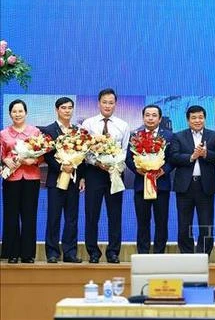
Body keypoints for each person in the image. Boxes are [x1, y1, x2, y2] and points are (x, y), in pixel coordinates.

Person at [81, 88, 130, 264]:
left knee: (115, 214)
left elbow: (125, 151)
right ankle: (93, 252)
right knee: (92, 214)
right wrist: (97, 163)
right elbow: (83, 149)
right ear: (99, 103)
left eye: (111, 102)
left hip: (115, 173)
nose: (107, 105)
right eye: (104, 102)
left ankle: (113, 252)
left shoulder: (123, 125)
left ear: (115, 104)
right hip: (94, 173)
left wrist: (114, 164)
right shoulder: (88, 123)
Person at [170, 105, 215, 255]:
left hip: (205, 186)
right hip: (184, 186)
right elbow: (173, 157)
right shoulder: (178, 136)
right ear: (188, 120)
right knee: (184, 223)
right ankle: (187, 255)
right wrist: (192, 157)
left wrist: (206, 154)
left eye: (200, 117)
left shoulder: (213, 136)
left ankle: (203, 254)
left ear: (205, 119)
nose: (197, 120)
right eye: (193, 118)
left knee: (206, 223)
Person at [41, 97, 85, 263]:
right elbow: (47, 155)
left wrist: (81, 177)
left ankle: (70, 253)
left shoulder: (78, 131)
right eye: (63, 108)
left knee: (72, 218)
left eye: (69, 108)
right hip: (56, 180)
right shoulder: (49, 130)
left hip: (73, 180)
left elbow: (83, 156)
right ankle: (52, 253)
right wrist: (61, 167)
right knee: (54, 217)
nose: (67, 111)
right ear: (57, 110)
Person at [125, 105, 173, 254]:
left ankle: (159, 253)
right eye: (147, 115)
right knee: (143, 222)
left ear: (159, 118)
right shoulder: (135, 136)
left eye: (154, 115)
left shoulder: (169, 136)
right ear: (143, 117)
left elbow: (173, 159)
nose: (150, 118)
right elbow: (128, 158)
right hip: (141, 184)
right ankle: (143, 253)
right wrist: (138, 169)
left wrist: (162, 170)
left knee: (161, 221)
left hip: (161, 186)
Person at [1, 99, 43, 263]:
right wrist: (5, 161)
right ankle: (12, 253)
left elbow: (42, 154)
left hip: (31, 178)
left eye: (20, 111)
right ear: (10, 114)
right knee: (11, 216)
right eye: (14, 111)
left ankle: (27, 254)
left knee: (29, 216)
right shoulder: (3, 134)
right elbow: (2, 155)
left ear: (26, 113)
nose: (17, 114)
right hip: (11, 178)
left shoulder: (35, 132)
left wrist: (34, 161)